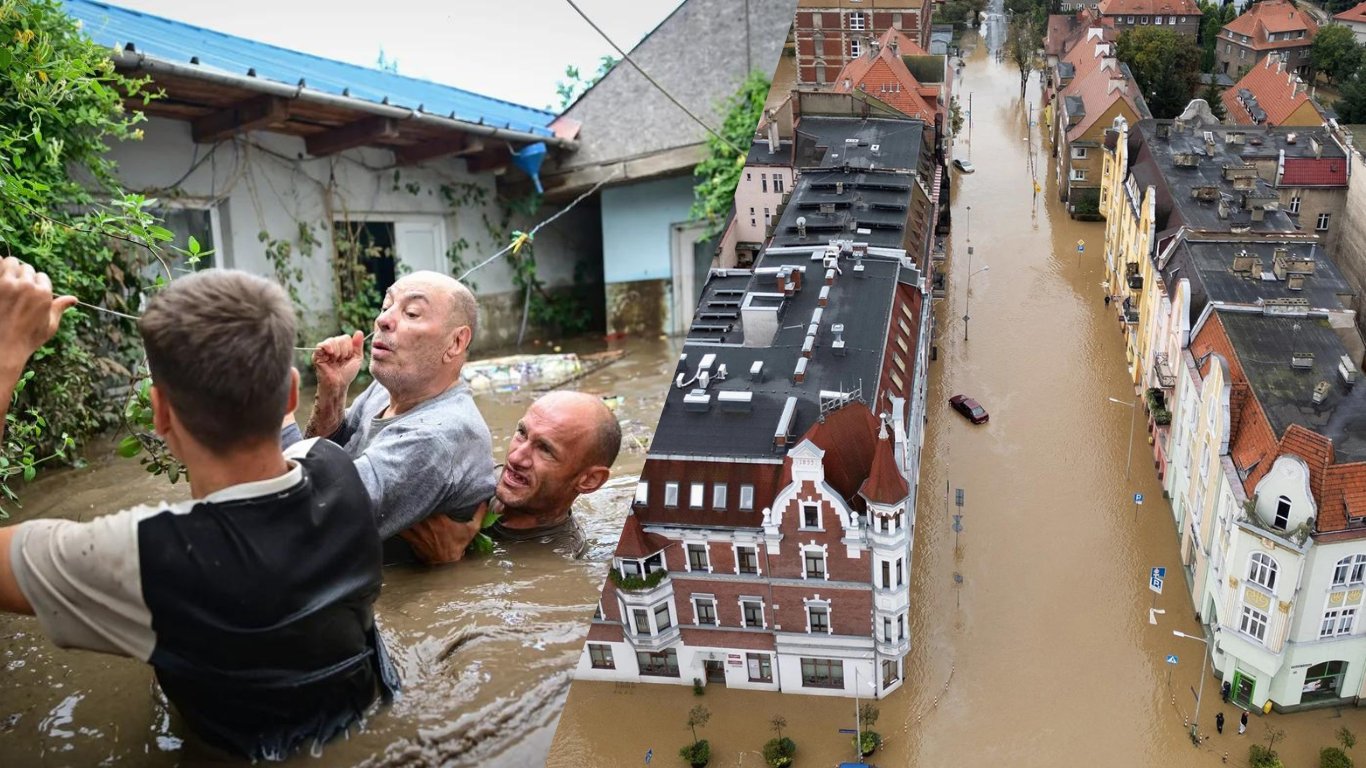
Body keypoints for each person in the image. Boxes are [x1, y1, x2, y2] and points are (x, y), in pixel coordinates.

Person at [0, 262, 394, 760]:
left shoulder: (143, 557)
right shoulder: (337, 467)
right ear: (291, 393)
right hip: (363, 721)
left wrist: (6, 354)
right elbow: (297, 447)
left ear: (160, 413)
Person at [283, 271, 495, 563]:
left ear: (456, 342)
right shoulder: (385, 391)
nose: (383, 320)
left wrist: (277, 413)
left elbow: (306, 518)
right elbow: (329, 457)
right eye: (386, 307)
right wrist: (332, 393)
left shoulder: (436, 435)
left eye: (411, 313)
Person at [397, 391, 622, 563]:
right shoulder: (472, 476)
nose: (516, 457)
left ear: (589, 480)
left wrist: (445, 563)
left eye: (545, 449)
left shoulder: (558, 561)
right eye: (522, 433)